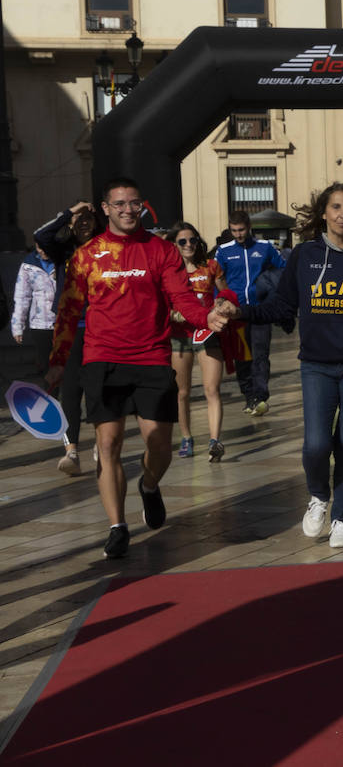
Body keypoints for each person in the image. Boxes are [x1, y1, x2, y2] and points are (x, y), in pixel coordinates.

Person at [213, 183, 343, 550]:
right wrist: (240, 313)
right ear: (323, 213)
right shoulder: (304, 256)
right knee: (316, 444)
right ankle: (318, 496)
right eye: (335, 207)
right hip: (316, 365)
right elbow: (282, 307)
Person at [45, 178, 212, 559]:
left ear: (142, 206)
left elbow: (182, 297)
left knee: (159, 445)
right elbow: (68, 312)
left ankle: (149, 486)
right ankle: (117, 526)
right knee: (108, 444)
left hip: (152, 357)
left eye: (133, 203)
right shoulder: (86, 255)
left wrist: (207, 317)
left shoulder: (163, 251)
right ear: (105, 208)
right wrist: (57, 363)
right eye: (119, 204)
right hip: (102, 359)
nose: (127, 210)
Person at [34, 201, 100, 476]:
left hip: (101, 326)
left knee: (99, 386)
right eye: (79, 219)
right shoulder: (63, 249)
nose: (83, 222)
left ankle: (102, 441)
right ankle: (71, 450)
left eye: (88, 217)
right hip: (70, 328)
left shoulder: (106, 246)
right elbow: (41, 236)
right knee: (70, 391)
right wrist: (69, 213)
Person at [165, 223, 228, 463]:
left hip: (208, 333)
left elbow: (225, 294)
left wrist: (221, 307)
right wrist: (172, 314)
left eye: (192, 240)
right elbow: (160, 303)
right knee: (182, 392)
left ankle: (215, 441)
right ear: (174, 245)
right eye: (182, 241)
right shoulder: (169, 272)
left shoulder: (211, 266)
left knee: (212, 389)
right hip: (179, 336)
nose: (189, 245)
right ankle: (186, 437)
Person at [214, 210, 286, 416]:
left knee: (261, 354)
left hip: (260, 310)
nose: (238, 234)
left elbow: (284, 269)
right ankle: (249, 396)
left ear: (249, 228)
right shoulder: (223, 251)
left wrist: (275, 295)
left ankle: (261, 396)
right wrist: (219, 304)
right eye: (234, 230)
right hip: (236, 312)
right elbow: (216, 280)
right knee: (242, 357)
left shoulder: (264, 248)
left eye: (242, 230)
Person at [10, 244, 56, 377]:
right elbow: (21, 296)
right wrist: (17, 326)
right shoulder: (29, 265)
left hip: (64, 324)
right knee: (47, 368)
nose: (42, 250)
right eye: (39, 246)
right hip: (40, 324)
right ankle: (50, 397)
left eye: (45, 245)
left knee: (68, 368)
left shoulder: (65, 260)